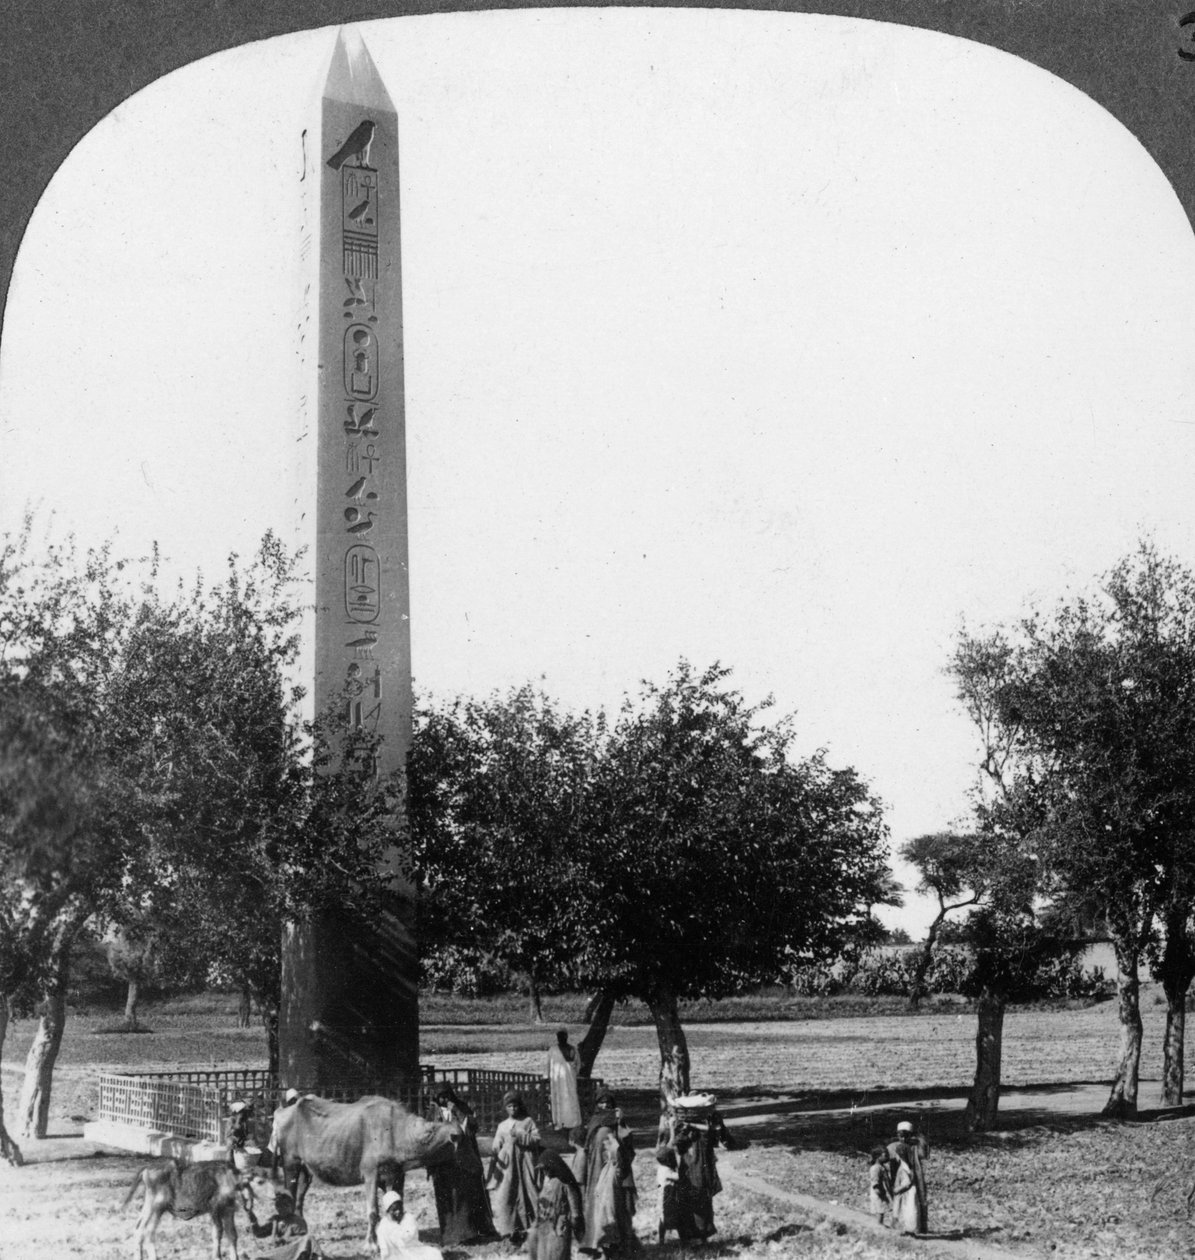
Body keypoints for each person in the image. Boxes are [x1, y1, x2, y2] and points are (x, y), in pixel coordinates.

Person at [428, 1086, 498, 1244]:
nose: (444, 1100)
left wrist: (458, 1113)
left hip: (463, 1161)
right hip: (443, 1163)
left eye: (446, 1096)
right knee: (446, 1196)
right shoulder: (433, 1113)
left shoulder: (461, 1108)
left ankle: (468, 1234)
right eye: (441, 1097)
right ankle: (450, 1235)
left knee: (463, 1197)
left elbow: (472, 1128)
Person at [578, 1090, 637, 1255]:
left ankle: (616, 1243)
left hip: (612, 1172)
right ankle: (598, 1241)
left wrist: (621, 1123)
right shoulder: (595, 1122)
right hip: (596, 1170)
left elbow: (625, 1145)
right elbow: (587, 1145)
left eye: (608, 1103)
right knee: (598, 1206)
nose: (605, 1106)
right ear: (597, 1104)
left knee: (613, 1206)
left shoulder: (616, 1125)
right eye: (602, 1103)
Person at [488, 1090, 542, 1243]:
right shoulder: (502, 1125)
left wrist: (521, 1135)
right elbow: (496, 1145)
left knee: (529, 1192)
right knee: (507, 1194)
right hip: (509, 1167)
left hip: (525, 1163)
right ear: (506, 1108)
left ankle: (532, 1228)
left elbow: (537, 1139)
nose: (513, 1109)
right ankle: (510, 1230)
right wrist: (497, 1152)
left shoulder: (528, 1121)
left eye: (515, 1106)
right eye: (510, 1106)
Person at [527, 1150, 584, 1260]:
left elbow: (575, 1212)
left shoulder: (566, 1184)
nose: (545, 1172)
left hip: (559, 1229)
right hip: (544, 1227)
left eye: (546, 1169)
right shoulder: (547, 1182)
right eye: (543, 1170)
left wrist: (575, 1227)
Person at [246, 1188, 319, 1260]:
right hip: (278, 1253)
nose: (281, 1208)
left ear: (291, 1206)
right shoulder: (275, 1220)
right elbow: (259, 1233)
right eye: (278, 1205)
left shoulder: (297, 1221)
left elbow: (303, 1241)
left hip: (293, 1252)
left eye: (285, 1205)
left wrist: (284, 1240)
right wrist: (251, 1216)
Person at [885, 1119, 929, 1235]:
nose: (903, 1139)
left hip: (912, 1176)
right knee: (899, 1201)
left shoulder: (915, 1147)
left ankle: (918, 1226)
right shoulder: (893, 1146)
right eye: (901, 1136)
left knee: (916, 1200)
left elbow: (923, 1154)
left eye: (906, 1136)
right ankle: (899, 1225)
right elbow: (886, 1157)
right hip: (899, 1177)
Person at [377, 1188, 444, 1260]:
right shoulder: (384, 1225)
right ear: (388, 1211)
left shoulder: (407, 1218)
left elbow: (410, 1236)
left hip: (412, 1251)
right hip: (395, 1256)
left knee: (434, 1253)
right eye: (394, 1210)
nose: (398, 1212)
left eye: (400, 1208)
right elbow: (384, 1250)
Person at [548, 1029, 583, 1130]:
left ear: (566, 1037)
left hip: (569, 1080)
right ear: (557, 1038)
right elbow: (549, 1065)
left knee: (570, 1098)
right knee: (560, 1099)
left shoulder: (572, 1049)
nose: (562, 1039)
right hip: (558, 1080)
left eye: (563, 1037)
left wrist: (572, 1074)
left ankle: (573, 1122)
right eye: (560, 1037)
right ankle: (560, 1122)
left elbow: (578, 1064)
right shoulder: (553, 1050)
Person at [866, 1146, 892, 1227]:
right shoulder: (875, 1168)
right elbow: (875, 1183)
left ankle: (879, 1225)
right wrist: (880, 1193)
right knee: (879, 1211)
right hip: (877, 1193)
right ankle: (878, 1226)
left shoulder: (882, 1167)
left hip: (881, 1192)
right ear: (878, 1157)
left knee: (881, 1211)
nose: (887, 1157)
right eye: (885, 1155)